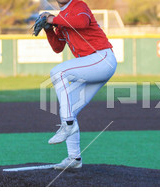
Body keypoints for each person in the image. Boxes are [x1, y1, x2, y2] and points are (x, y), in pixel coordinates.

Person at [41, 0, 117, 169]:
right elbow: (58, 47)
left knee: (57, 72)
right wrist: (48, 29)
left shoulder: (78, 5)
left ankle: (67, 125)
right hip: (93, 64)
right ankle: (74, 159)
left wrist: (52, 20)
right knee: (69, 107)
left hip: (101, 58)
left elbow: (81, 22)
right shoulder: (61, 18)